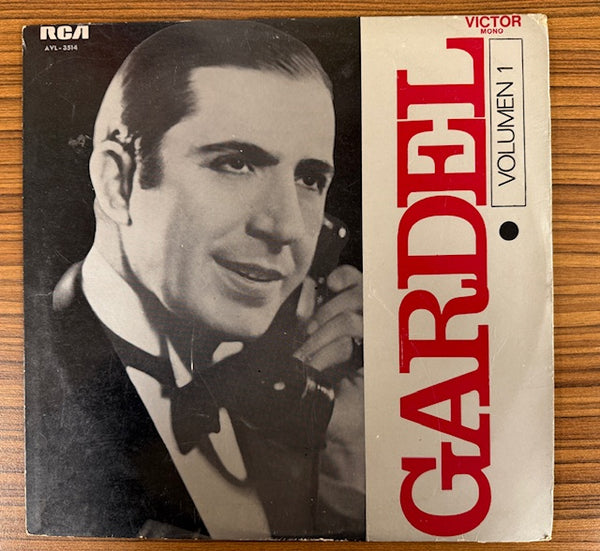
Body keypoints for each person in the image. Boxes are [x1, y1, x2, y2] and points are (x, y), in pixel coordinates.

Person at [27, 20, 364, 540]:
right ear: (117, 183)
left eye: (309, 178)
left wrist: (349, 455)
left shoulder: (295, 388)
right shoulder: (34, 393)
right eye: (236, 163)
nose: (288, 227)